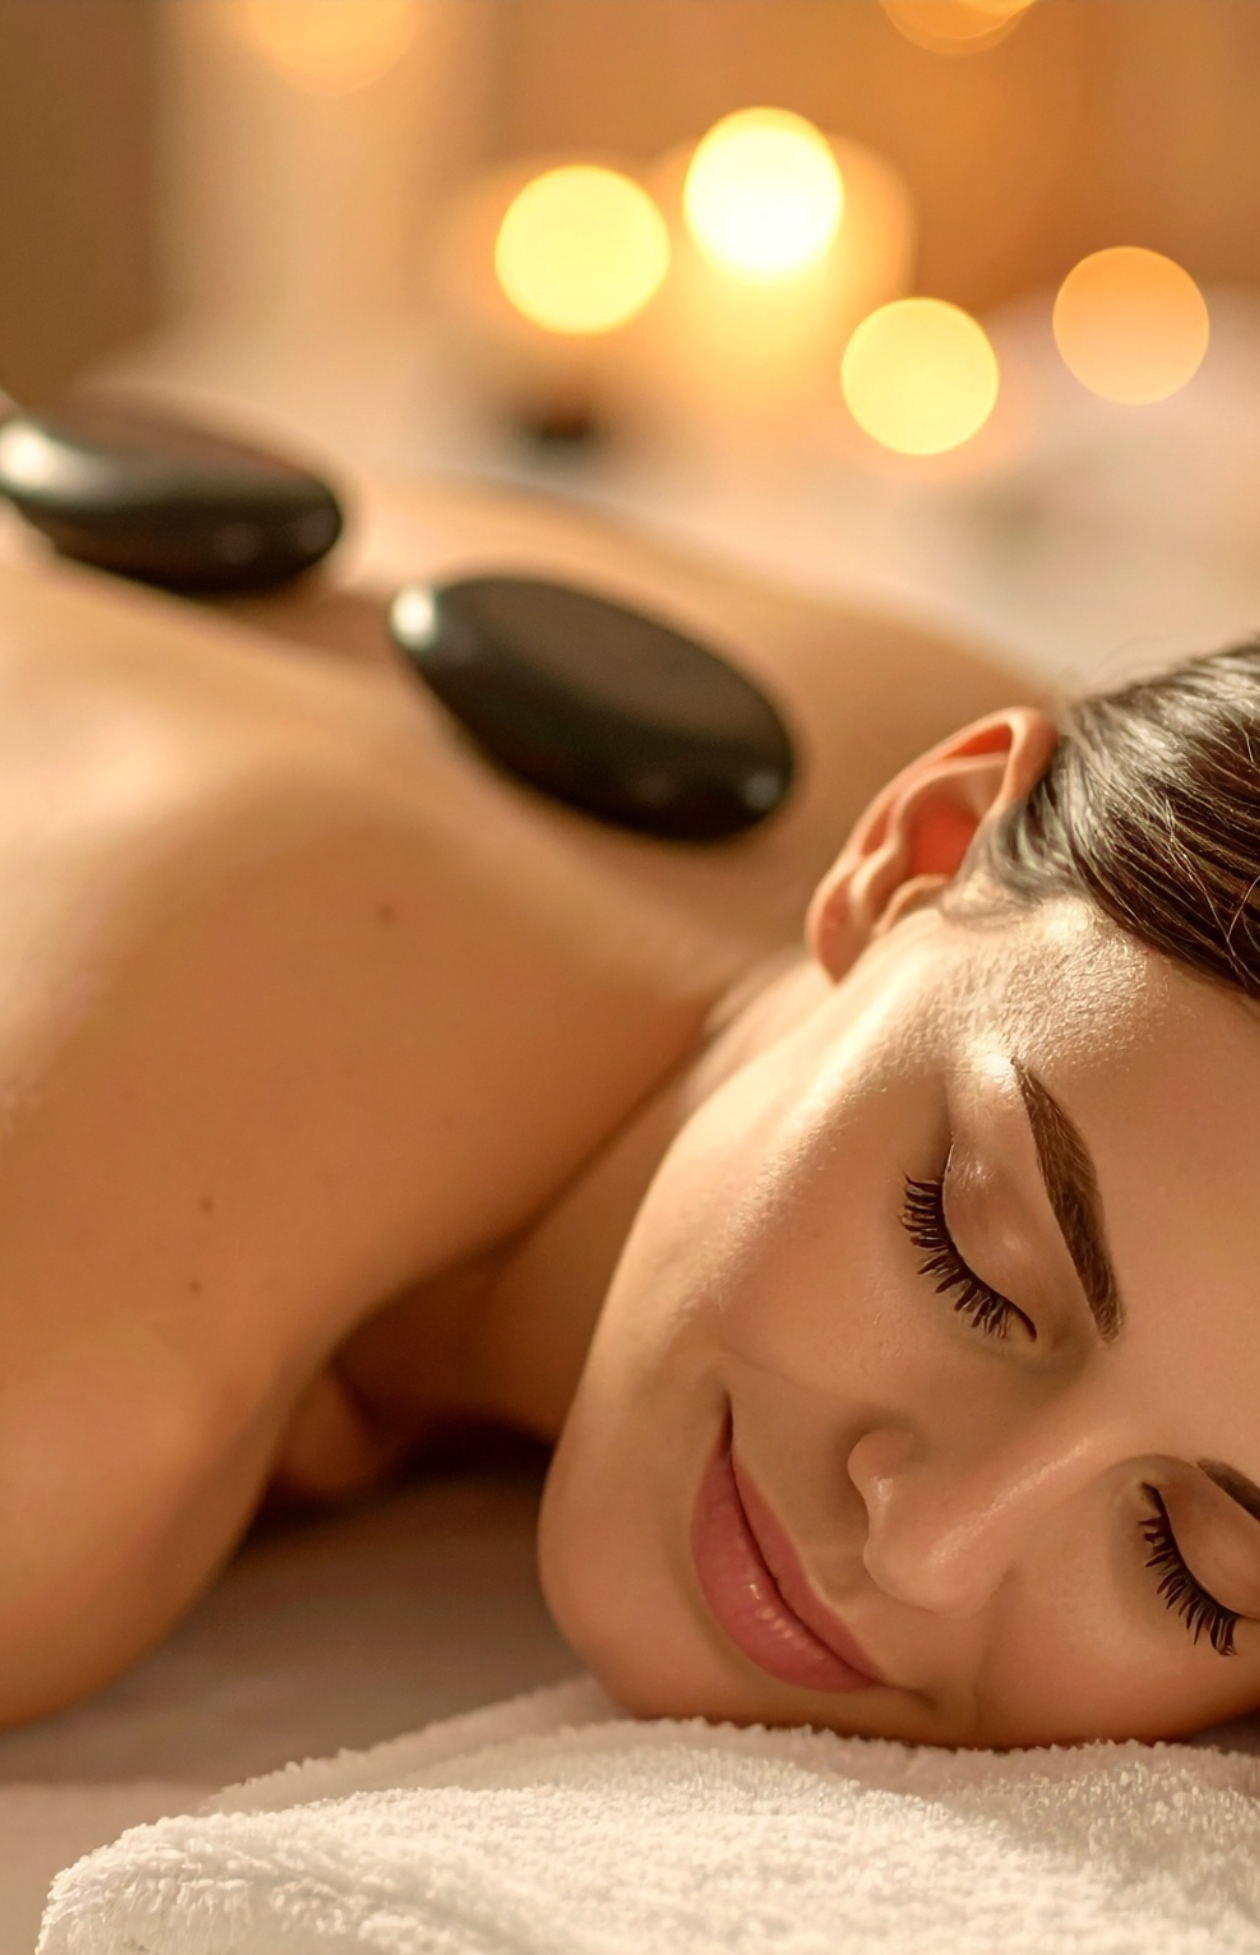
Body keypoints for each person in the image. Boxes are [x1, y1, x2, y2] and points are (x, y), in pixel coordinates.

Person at [0, 467, 1257, 1753]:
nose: (926, 1546)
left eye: (1192, 1568)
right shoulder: (55, 1408)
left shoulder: (1017, 781)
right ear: (917, 852)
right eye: (966, 1256)